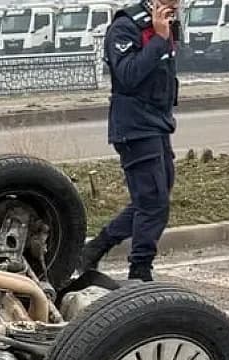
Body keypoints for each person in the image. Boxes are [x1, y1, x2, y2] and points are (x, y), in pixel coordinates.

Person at [76, 0, 180, 282]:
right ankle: (139, 271)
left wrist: (163, 34)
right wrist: (158, 39)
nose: (177, 4)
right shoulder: (125, 27)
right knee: (153, 203)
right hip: (134, 127)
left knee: (152, 200)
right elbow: (128, 76)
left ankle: (94, 249)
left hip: (157, 124)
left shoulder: (165, 24)